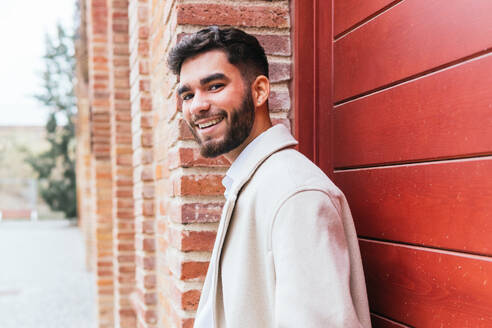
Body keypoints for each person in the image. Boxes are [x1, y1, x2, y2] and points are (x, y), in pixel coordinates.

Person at [168, 26, 371, 328]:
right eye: (187, 93)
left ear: (260, 91)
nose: (196, 105)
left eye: (214, 86)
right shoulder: (253, 182)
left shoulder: (294, 194)